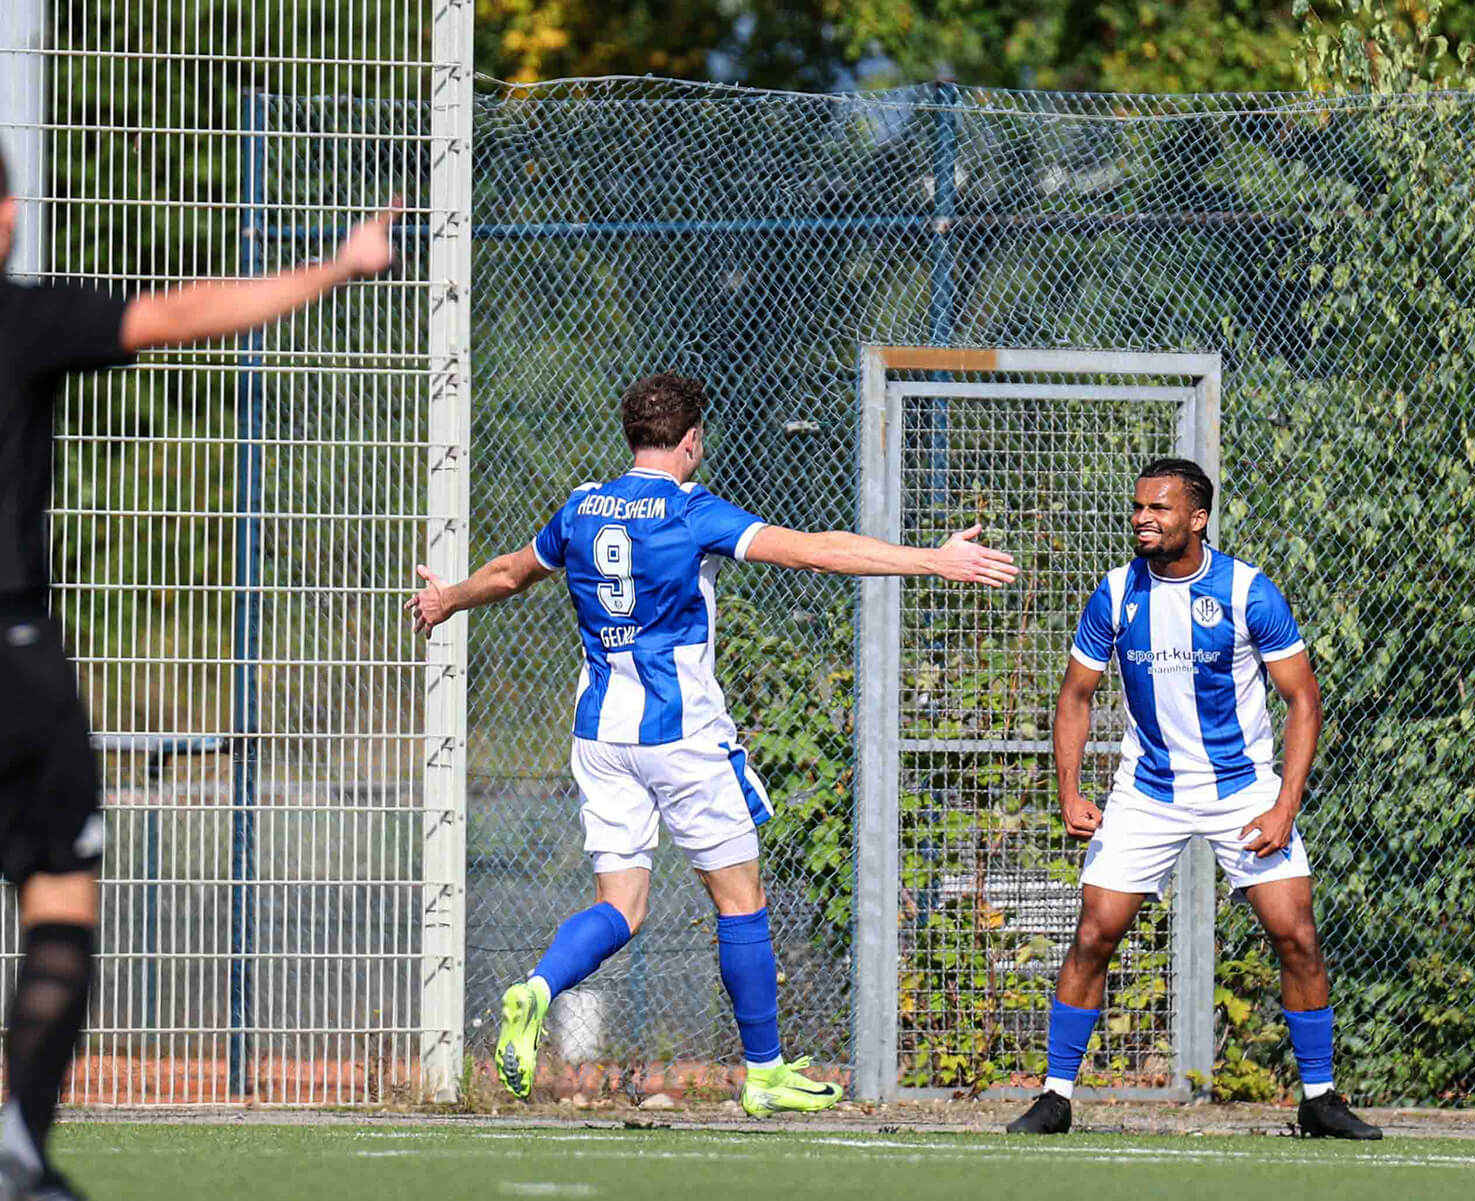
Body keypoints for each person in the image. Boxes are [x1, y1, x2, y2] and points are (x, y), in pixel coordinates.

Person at [406, 371, 1017, 1115]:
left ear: (631, 434)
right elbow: (814, 552)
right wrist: (932, 558)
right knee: (740, 898)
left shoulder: (580, 506)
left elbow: (508, 573)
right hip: (681, 735)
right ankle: (764, 1071)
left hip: (600, 736)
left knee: (622, 907)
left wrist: (445, 598)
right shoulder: (691, 510)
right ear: (692, 441)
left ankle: (537, 987)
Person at [0, 147, 397, 1200]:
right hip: (12, 659)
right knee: (58, 904)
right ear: (4, 216)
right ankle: (19, 1149)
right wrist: (336, 265)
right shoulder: (23, 319)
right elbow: (181, 312)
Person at [1005, 457, 1381, 1140]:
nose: (1143, 519)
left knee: (1296, 932)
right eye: (1138, 507)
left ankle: (1319, 1096)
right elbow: (1074, 696)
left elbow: (1304, 701)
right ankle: (1055, 1095)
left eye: (1160, 508)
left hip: (1243, 790)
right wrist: (1069, 789)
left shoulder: (1248, 592)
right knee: (1094, 932)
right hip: (1148, 790)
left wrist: (1284, 805)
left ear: (1197, 518)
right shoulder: (1116, 593)